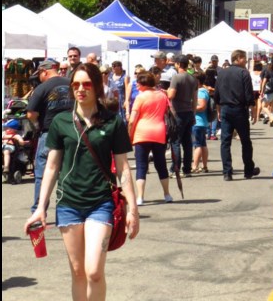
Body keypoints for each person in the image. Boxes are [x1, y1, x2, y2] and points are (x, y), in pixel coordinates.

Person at [24, 63, 139, 301]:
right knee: (77, 272)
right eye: (75, 84)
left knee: (94, 271)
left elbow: (123, 167)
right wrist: (40, 208)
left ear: (97, 87)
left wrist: (133, 209)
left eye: (86, 84)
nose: (80, 89)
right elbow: (52, 166)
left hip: (101, 203)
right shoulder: (61, 122)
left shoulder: (112, 122)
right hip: (68, 204)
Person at [26, 58, 72, 213]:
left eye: (39, 74)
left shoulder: (42, 88)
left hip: (49, 134)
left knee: (42, 174)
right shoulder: (71, 83)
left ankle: (39, 209)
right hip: (72, 133)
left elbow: (31, 113)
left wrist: (37, 126)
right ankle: (68, 209)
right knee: (69, 172)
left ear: (44, 71)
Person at [127, 72, 174, 205]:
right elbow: (167, 112)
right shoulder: (162, 95)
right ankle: (167, 194)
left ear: (144, 84)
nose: (136, 85)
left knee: (141, 165)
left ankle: (140, 197)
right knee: (161, 164)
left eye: (138, 82)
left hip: (141, 133)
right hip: (159, 132)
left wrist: (129, 135)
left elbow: (132, 120)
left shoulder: (140, 97)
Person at [215, 50, 260, 181]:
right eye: (244, 58)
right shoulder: (243, 73)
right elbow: (248, 94)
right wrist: (252, 109)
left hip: (225, 109)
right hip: (240, 109)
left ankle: (227, 172)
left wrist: (218, 108)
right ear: (238, 58)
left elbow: (217, 93)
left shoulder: (221, 73)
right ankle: (248, 170)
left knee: (225, 141)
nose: (246, 61)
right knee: (245, 141)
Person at [168, 55, 198, 178]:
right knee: (187, 143)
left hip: (177, 113)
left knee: (175, 142)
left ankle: (175, 168)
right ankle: (187, 169)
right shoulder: (193, 79)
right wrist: (194, 113)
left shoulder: (176, 77)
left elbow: (171, 95)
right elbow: (195, 99)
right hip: (189, 112)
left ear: (179, 64)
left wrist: (166, 91)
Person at [191, 75, 211, 174]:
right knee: (202, 144)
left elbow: (202, 106)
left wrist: (191, 109)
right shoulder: (204, 91)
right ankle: (204, 165)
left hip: (197, 122)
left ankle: (194, 166)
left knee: (197, 145)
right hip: (202, 122)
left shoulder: (200, 92)